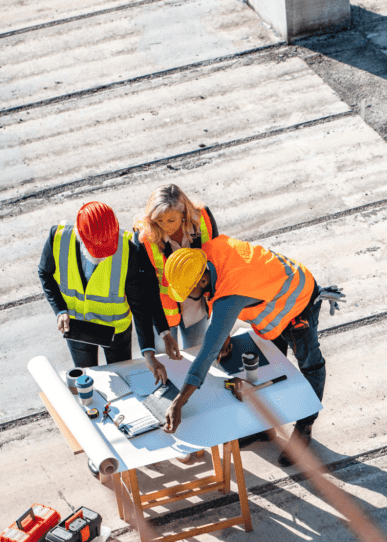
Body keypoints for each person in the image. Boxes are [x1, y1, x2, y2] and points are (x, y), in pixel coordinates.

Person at [159, 236, 345, 467]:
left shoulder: (230, 296)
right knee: (268, 369)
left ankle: (305, 426)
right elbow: (223, 289)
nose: (187, 296)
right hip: (274, 297)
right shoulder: (209, 253)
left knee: (311, 365)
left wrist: (179, 401)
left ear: (203, 279)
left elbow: (208, 352)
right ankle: (265, 427)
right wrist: (224, 331)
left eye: (189, 290)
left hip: (298, 301)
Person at [37, 201, 177, 384]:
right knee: (87, 379)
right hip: (78, 327)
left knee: (123, 379)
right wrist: (60, 310)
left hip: (116, 333)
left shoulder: (128, 249)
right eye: (98, 251)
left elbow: (139, 305)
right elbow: (45, 273)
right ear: (81, 237)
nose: (104, 256)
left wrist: (148, 352)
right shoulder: (58, 238)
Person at [133, 185, 219, 355]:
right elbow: (145, 290)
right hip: (163, 314)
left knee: (196, 354)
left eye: (171, 220)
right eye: (159, 221)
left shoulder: (204, 219)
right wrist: (163, 333)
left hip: (196, 308)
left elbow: (218, 265)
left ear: (184, 212)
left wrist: (220, 321)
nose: (165, 227)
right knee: (166, 359)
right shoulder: (143, 237)